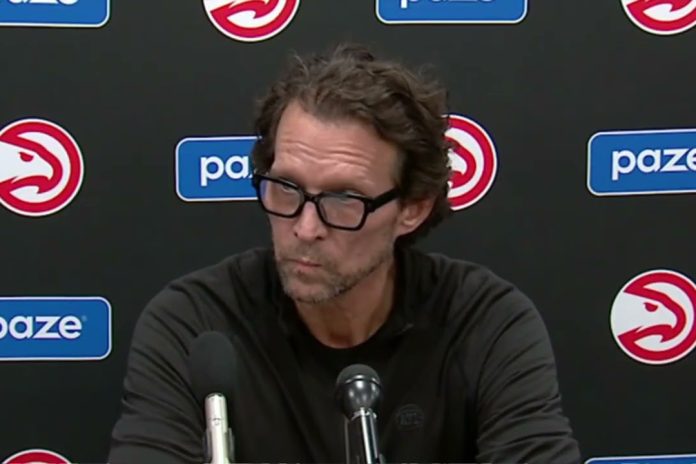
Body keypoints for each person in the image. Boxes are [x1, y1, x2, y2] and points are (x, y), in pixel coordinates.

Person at [108, 43, 581, 463]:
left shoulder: (485, 324)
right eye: (286, 188)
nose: (305, 227)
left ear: (413, 208)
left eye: (343, 200)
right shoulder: (195, 325)